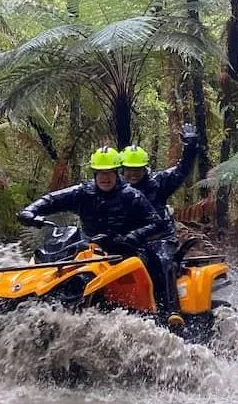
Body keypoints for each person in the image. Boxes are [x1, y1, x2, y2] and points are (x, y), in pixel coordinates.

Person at [17, 145, 164, 272]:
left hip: (125, 251)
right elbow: (51, 200)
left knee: (156, 265)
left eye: (109, 173)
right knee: (51, 257)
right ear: (95, 174)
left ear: (116, 173)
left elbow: (156, 223)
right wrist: (30, 211)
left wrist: (133, 236)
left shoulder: (132, 196)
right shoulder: (83, 192)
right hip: (88, 250)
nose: (105, 178)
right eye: (101, 173)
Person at [120, 124, 200, 324]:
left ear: (144, 168)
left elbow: (182, 170)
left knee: (163, 260)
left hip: (160, 238)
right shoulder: (114, 187)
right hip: (129, 239)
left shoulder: (158, 181)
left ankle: (172, 311)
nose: (133, 174)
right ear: (122, 169)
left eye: (137, 169)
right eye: (129, 169)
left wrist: (190, 146)